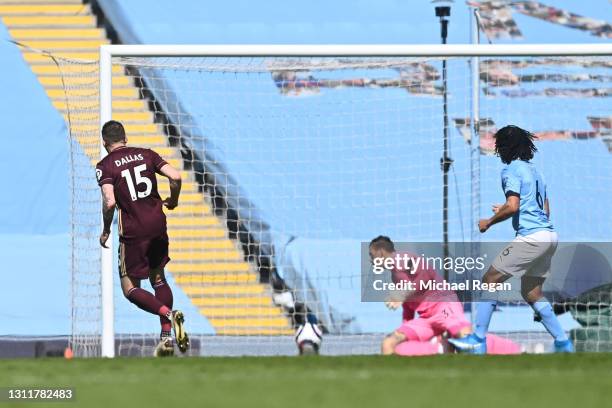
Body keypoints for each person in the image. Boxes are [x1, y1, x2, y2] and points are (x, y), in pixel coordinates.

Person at [449, 125, 574, 354]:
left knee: (489, 279)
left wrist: (490, 220)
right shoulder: (536, 172)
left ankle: (477, 339)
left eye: (498, 146)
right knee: (532, 292)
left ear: (505, 147)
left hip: (532, 238)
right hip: (549, 236)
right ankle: (563, 343)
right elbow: (543, 210)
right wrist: (508, 209)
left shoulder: (511, 170)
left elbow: (513, 205)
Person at [96, 120, 189, 357]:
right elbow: (175, 176)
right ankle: (166, 336)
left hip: (134, 232)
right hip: (158, 224)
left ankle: (168, 314)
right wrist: (174, 200)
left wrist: (106, 228)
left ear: (105, 143)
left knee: (130, 288)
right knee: (158, 278)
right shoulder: (147, 154)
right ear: (125, 138)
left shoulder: (105, 165)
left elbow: (109, 201)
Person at [369, 236, 471, 355]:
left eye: (371, 255)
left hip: (443, 308)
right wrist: (405, 328)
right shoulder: (395, 277)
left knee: (461, 332)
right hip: (426, 320)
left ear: (380, 252)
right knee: (389, 343)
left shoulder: (403, 258)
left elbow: (426, 275)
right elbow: (408, 307)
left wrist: (403, 294)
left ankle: (462, 347)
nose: (370, 260)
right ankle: (440, 347)